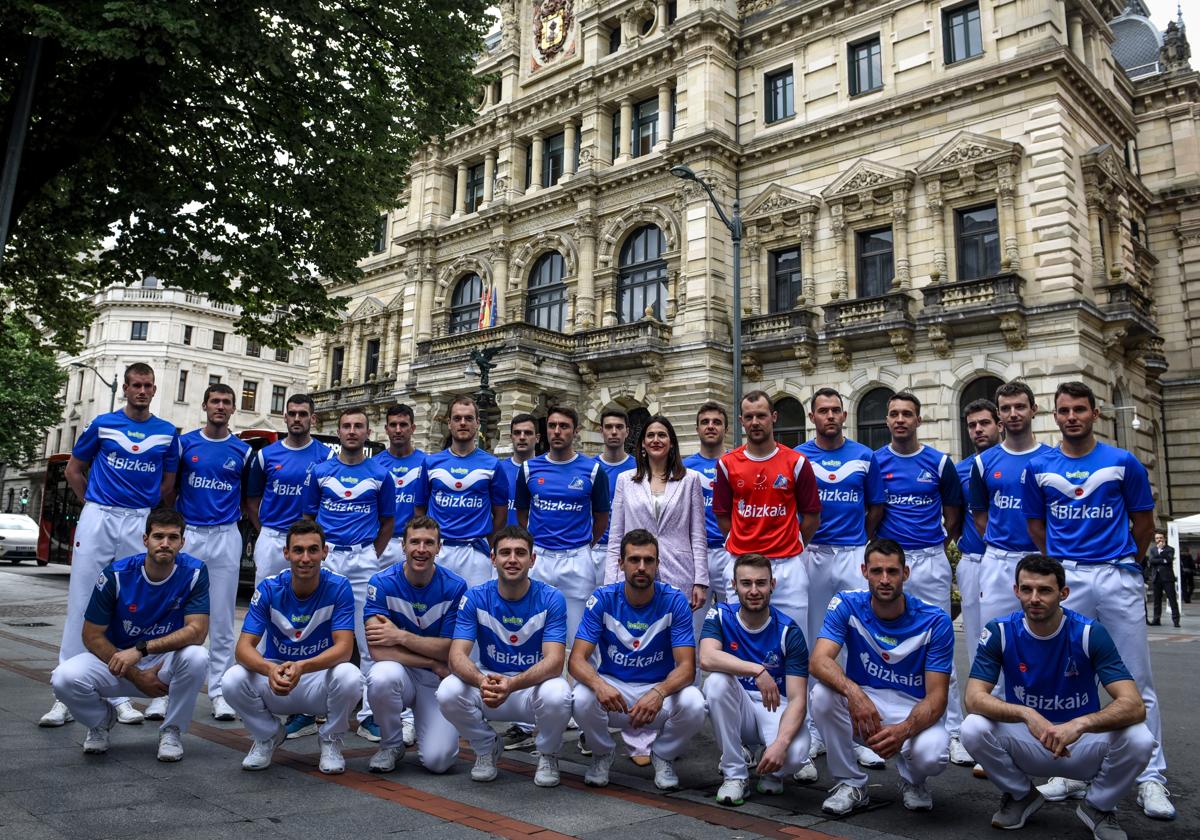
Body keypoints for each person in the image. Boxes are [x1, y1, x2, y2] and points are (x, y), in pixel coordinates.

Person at [1022, 381, 1171, 820]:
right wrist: (1061, 570)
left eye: (1080, 410)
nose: (1072, 417)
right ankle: (1074, 771)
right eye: (1064, 410)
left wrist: (1125, 562)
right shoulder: (1040, 467)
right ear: (1055, 415)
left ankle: (1151, 778)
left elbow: (1143, 524)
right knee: (1072, 679)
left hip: (1116, 575)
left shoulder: (1124, 462)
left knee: (1135, 680)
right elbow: (1037, 527)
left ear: (1095, 414)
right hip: (1068, 580)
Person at [962, 555, 1155, 839]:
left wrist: (1079, 724)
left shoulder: (1090, 633)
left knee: (1141, 738)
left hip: (1080, 745)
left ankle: (1097, 806)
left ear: (1063, 593)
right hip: (1030, 740)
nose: (1034, 598)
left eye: (1045, 590)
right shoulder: (999, 631)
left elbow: (1134, 705)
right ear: (1016, 591)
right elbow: (974, 698)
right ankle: (1020, 795)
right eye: (1026, 589)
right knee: (972, 728)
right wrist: (1027, 714)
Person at [42, 362, 179, 728]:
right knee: (83, 599)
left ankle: (119, 695)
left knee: (127, 604)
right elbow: (74, 469)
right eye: (135, 384)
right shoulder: (102, 424)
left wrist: (143, 512)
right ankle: (64, 696)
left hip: (137, 520)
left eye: (148, 385)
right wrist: (93, 505)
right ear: (125, 388)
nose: (141, 391)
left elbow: (167, 485)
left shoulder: (167, 433)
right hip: (100, 515)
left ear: (154, 389)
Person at [50, 508, 209, 761]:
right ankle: (101, 721)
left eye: (173, 537)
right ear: (145, 539)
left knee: (198, 656)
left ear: (182, 542)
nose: (165, 544)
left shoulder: (195, 572)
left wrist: (141, 649)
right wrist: (136, 675)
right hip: (117, 662)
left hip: (161, 664)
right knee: (63, 678)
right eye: (158, 536)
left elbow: (197, 631)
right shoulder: (116, 574)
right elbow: (91, 636)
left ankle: (172, 730)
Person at [809, 538, 953, 815]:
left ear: (906, 574)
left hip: (912, 706)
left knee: (933, 756)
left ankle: (914, 781)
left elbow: (937, 697)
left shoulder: (935, 619)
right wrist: (855, 695)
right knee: (822, 695)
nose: (884, 579)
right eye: (876, 571)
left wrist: (904, 730)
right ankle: (850, 783)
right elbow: (818, 661)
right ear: (864, 572)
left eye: (892, 571)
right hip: (865, 704)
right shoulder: (846, 603)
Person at [865, 391, 968, 765]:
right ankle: (875, 731)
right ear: (887, 420)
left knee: (938, 648)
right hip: (891, 563)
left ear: (918, 420)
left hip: (929, 561)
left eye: (907, 414)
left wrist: (938, 542)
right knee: (879, 645)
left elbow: (954, 513)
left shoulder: (938, 462)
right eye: (893, 413)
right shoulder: (875, 461)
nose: (900, 420)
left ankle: (953, 731)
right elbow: (872, 510)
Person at [603, 415, 708, 765]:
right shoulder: (624, 481)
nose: (657, 440)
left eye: (663, 434)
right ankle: (638, 737)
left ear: (672, 441)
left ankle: (667, 728)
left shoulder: (690, 479)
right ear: (642, 443)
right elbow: (615, 535)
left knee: (675, 649)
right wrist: (610, 582)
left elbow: (698, 533)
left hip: (679, 570)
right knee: (637, 648)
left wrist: (700, 579)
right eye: (650, 435)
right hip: (635, 571)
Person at [436, 525, 572, 787]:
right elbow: (457, 656)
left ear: (532, 560)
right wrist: (480, 681)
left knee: (559, 693)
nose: (512, 559)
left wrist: (512, 684)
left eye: (520, 553)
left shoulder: (552, 598)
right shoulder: (475, 597)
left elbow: (555, 662)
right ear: (492, 558)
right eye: (505, 553)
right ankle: (486, 746)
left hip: (529, 688)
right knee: (448, 691)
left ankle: (548, 753)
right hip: (490, 683)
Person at [570, 529, 706, 791]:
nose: (641, 567)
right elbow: (576, 660)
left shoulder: (675, 600)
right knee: (580, 698)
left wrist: (659, 692)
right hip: (614, 689)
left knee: (695, 704)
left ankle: (663, 754)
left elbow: (687, 668)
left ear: (657, 564)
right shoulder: (602, 598)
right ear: (621, 564)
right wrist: (599, 685)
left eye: (648, 560)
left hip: (658, 692)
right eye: (634, 560)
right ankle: (602, 752)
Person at [222, 519, 362, 774]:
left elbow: (344, 649)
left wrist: (303, 666)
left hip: (316, 678)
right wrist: (268, 670)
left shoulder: (339, 586)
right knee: (231, 679)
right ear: (286, 553)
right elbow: (243, 649)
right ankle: (268, 735)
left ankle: (330, 740)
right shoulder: (269, 588)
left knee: (350, 676)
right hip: (278, 678)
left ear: (324, 552)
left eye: (312, 550)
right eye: (298, 550)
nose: (305, 558)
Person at [795, 388, 878, 771]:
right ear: (812, 417)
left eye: (835, 411)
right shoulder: (799, 458)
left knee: (858, 642)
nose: (829, 416)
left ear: (844, 416)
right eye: (822, 411)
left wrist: (859, 541)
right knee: (816, 642)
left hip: (852, 553)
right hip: (812, 553)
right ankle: (813, 729)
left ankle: (859, 733)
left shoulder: (864, 456)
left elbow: (875, 508)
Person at [302, 406, 395, 740]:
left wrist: (372, 552)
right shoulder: (321, 471)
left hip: (362, 561)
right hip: (328, 561)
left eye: (358, 426)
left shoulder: (380, 473)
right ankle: (311, 709)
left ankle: (369, 713)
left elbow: (388, 521)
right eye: (346, 426)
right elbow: (309, 517)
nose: (352, 431)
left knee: (367, 639)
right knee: (316, 634)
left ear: (368, 433)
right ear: (338, 432)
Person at [701, 552, 812, 805]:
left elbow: (798, 700)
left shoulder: (789, 630)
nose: (754, 590)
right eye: (746, 583)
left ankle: (773, 771)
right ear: (734, 585)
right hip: (738, 705)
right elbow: (707, 658)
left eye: (761, 583)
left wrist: (781, 744)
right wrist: (757, 670)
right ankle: (734, 774)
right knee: (715, 683)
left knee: (794, 754)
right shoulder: (720, 614)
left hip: (776, 708)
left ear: (772, 585)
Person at [170, 383, 252, 723]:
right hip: (190, 534)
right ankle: (168, 690)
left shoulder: (244, 452)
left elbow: (249, 499)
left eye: (226, 402)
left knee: (221, 617)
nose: (220, 407)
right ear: (204, 405)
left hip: (225, 535)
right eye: (215, 401)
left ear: (233, 409)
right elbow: (169, 490)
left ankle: (220, 692)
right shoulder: (184, 444)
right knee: (176, 613)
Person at [363, 515, 467, 774]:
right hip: (409, 671)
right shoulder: (382, 583)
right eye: (415, 542)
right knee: (381, 676)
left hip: (436, 682)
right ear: (403, 545)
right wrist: (431, 659)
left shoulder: (455, 587)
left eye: (429, 543)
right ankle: (391, 744)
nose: (421, 550)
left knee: (440, 762)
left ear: (439, 547)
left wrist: (400, 637)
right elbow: (377, 650)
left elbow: (450, 649)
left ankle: (427, 728)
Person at [713, 390, 821, 633]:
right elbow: (722, 514)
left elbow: (812, 515)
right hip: (741, 563)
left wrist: (796, 543)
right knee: (739, 644)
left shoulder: (797, 462)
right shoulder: (727, 464)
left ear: (773, 417)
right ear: (741, 421)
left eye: (761, 416)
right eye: (749, 417)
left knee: (795, 640)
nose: (755, 422)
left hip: (787, 567)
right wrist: (738, 539)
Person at [517, 405, 610, 642]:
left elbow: (601, 518)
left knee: (577, 636)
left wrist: (585, 544)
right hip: (539, 558)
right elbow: (522, 514)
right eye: (552, 426)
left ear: (575, 431)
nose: (557, 431)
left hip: (577, 560)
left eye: (564, 426)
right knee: (533, 632)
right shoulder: (529, 468)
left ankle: (574, 680)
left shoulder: (593, 470)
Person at [967, 380, 1053, 638]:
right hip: (998, 562)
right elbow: (980, 515)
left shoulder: (1052, 459)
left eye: (1020, 407)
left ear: (1033, 409)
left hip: (1042, 559)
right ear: (1000, 416)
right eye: (1006, 408)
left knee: (1045, 638)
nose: (1013, 413)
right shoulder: (983, 462)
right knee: (995, 638)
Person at [417, 395, 507, 587]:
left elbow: (500, 513)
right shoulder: (431, 463)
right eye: (457, 418)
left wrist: (488, 543)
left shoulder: (492, 464)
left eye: (468, 418)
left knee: (474, 612)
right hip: (439, 551)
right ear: (449, 423)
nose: (463, 423)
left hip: (475, 553)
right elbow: (420, 510)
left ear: (477, 423)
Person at [244, 394, 333, 585]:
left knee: (307, 600)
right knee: (265, 599)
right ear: (285, 417)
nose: (297, 418)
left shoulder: (327, 456)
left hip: (309, 541)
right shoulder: (265, 455)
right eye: (292, 414)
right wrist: (265, 531)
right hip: (272, 539)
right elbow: (252, 503)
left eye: (303, 414)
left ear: (313, 418)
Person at [955, 398, 1001, 672]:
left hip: (1013, 561)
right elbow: (955, 517)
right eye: (972, 425)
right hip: (973, 562)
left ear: (999, 424)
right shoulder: (961, 469)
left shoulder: (1030, 462)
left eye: (985, 423)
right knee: (976, 638)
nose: (978, 430)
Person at [682, 401, 733, 605]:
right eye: (705, 422)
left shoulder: (737, 463)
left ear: (726, 429)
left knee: (733, 618)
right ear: (697, 429)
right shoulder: (683, 468)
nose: (710, 426)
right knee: (694, 621)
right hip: (695, 555)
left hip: (730, 551)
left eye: (717, 422)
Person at [374, 404, 428, 570]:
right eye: (393, 425)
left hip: (413, 543)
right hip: (379, 541)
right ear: (386, 429)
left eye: (403, 425)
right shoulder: (374, 464)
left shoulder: (427, 463)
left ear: (412, 428)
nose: (398, 430)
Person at [590, 408, 635, 588]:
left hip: (627, 549)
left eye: (619, 427)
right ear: (601, 431)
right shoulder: (590, 468)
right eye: (609, 427)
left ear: (627, 432)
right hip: (595, 548)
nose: (614, 431)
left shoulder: (639, 467)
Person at [496, 413, 540, 526]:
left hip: (536, 541)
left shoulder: (546, 470)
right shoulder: (498, 469)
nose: (522, 437)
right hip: (503, 540)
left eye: (528, 433)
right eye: (517, 433)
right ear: (511, 437)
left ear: (537, 438)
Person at [1146, 531, 1180, 628]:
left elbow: (1168, 560)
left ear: (1164, 538)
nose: (1159, 540)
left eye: (1161, 538)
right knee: (1157, 600)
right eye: (1157, 538)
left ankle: (1176, 620)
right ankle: (1156, 619)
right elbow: (1152, 561)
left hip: (1168, 578)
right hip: (1156, 578)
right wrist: (1162, 560)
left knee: (1172, 599)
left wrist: (1161, 551)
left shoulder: (1170, 549)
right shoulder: (1152, 550)